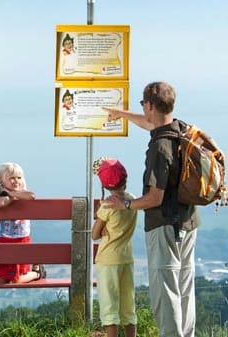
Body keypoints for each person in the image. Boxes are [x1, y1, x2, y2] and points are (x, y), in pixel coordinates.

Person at [103, 81, 200, 337]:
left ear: (149, 104)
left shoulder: (160, 147)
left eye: (142, 105)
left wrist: (125, 204)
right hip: (189, 222)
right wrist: (122, 114)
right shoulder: (180, 130)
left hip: (164, 225)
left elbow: (154, 197)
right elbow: (150, 124)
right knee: (184, 288)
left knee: (165, 292)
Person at [92, 157, 137, 337]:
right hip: (127, 258)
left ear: (105, 184)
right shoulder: (132, 201)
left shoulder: (107, 205)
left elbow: (95, 234)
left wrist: (101, 228)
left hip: (108, 260)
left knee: (110, 305)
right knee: (128, 305)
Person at [0, 162, 45, 283]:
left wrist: (11, 193)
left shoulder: (22, 193)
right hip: (3, 240)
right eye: (11, 178)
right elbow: (2, 203)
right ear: (2, 182)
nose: (16, 181)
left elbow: (32, 196)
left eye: (19, 178)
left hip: (20, 239)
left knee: (17, 279)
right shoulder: (0, 196)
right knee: (2, 278)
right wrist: (5, 193)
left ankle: (37, 273)